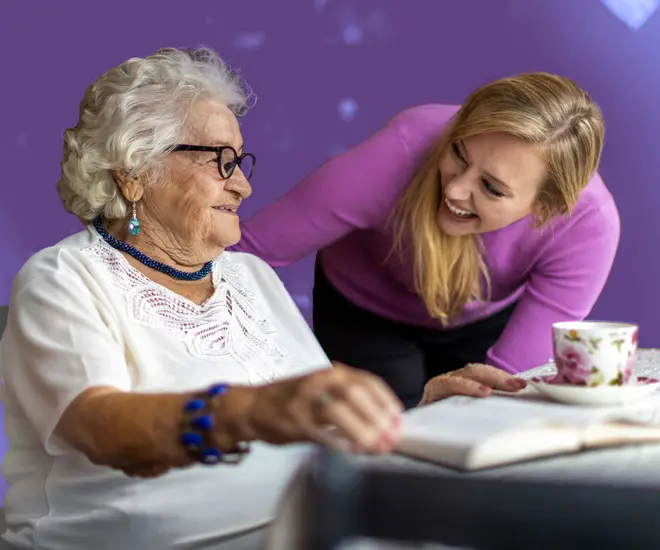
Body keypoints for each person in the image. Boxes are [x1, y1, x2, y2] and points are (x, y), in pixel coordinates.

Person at [0, 47, 521, 550]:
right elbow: (102, 428)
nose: (244, 188)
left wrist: (420, 415)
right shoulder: (63, 278)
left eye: (241, 162)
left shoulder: (249, 276)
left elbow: (316, 422)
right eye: (221, 163)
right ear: (134, 174)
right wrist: (249, 411)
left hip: (305, 528)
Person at [233, 73, 620, 409]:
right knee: (377, 443)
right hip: (364, 311)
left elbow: (508, 387)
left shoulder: (588, 225)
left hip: (482, 318)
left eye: (491, 188)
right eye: (458, 153)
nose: (454, 190)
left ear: (547, 208)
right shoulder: (400, 151)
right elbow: (242, 253)